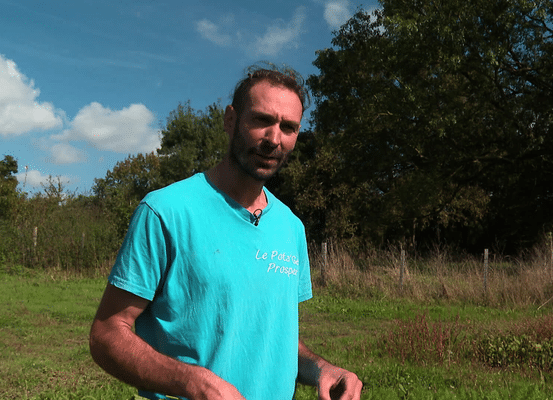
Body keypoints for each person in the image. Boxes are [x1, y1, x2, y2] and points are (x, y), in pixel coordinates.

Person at [89, 64, 363, 400]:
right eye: (262, 120)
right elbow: (106, 335)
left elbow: (276, 339)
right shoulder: (165, 211)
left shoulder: (291, 227)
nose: (274, 139)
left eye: (288, 127)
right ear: (231, 120)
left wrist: (322, 369)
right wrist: (191, 382)